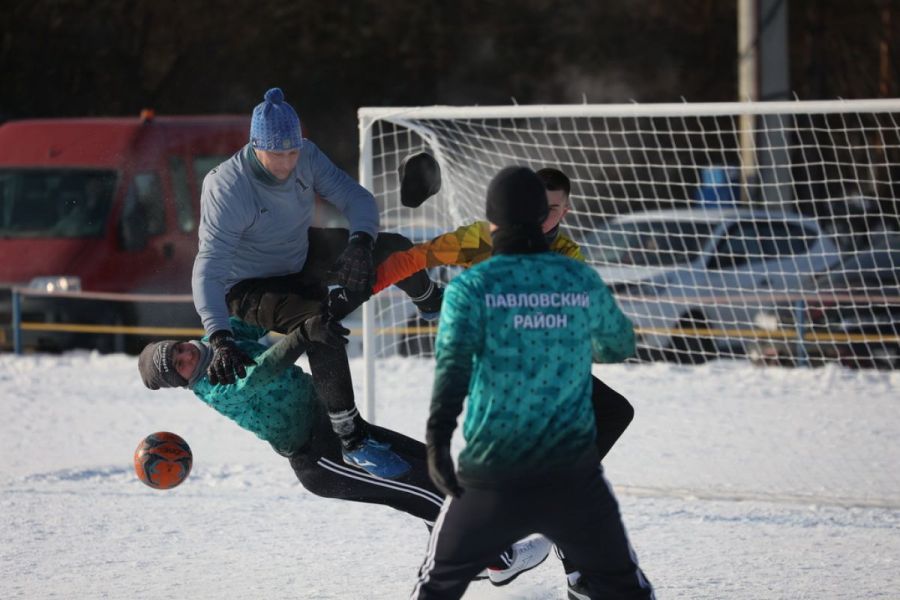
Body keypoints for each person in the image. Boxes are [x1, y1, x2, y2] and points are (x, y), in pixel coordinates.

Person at [136, 317, 550, 586]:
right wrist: (302, 334)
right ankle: (497, 559)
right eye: (179, 365)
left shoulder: (218, 343)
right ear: (182, 381)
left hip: (337, 424)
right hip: (322, 459)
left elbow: (253, 316)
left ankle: (478, 560)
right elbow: (261, 373)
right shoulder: (215, 388)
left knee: (429, 470)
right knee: (428, 493)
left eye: (178, 349)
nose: (185, 355)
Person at [411, 166, 654, 600]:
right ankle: (579, 577)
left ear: (492, 222)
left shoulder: (470, 286)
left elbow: (451, 375)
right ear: (544, 214)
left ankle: (561, 570)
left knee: (437, 586)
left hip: (488, 472)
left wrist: (436, 448)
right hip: (572, 474)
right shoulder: (577, 277)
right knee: (624, 586)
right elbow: (619, 345)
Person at [191, 87, 440, 480]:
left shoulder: (306, 154)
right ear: (256, 145)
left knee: (395, 248)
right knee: (317, 323)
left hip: (299, 252)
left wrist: (360, 241)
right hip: (251, 286)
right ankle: (352, 438)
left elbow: (355, 197)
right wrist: (219, 337)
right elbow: (208, 266)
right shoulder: (226, 186)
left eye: (293, 152)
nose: (288, 162)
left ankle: (434, 306)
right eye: (278, 154)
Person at [364, 167, 635, 466]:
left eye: (552, 208)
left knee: (615, 412)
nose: (542, 215)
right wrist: (365, 288)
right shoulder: (480, 237)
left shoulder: (568, 254)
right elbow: (412, 257)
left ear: (565, 212)